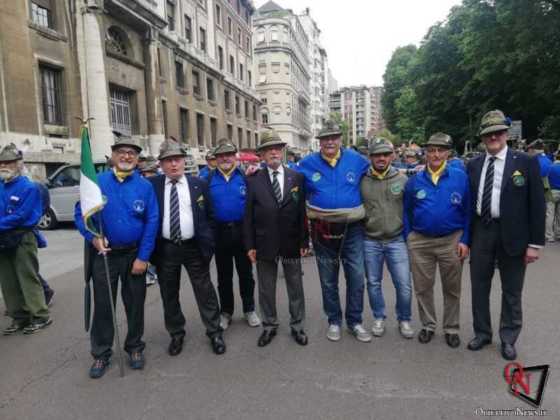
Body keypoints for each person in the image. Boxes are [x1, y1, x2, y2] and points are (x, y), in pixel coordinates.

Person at [74, 134, 159, 378]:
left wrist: (144, 257)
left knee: (135, 305)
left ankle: (134, 346)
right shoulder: (96, 182)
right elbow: (81, 215)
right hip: (105, 256)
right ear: (112, 156)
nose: (126, 156)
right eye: (121, 151)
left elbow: (152, 221)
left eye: (132, 153)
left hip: (134, 254)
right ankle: (101, 353)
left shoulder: (144, 186)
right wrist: (93, 237)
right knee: (103, 306)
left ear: (137, 158)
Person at [466, 110, 545, 361]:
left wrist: (535, 244)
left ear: (506, 134)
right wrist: (466, 239)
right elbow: (469, 205)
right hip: (482, 230)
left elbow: (537, 205)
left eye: (498, 132)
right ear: (482, 137)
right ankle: (482, 333)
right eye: (488, 133)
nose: (494, 137)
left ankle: (508, 338)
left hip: (514, 234)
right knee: (479, 287)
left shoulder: (525, 161)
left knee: (512, 290)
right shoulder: (474, 164)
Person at [149, 139, 226, 357]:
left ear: (184, 161)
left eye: (177, 159)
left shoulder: (198, 184)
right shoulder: (152, 185)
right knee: (169, 293)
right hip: (166, 249)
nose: (174, 164)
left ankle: (214, 332)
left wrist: (208, 245)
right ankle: (176, 334)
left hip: (194, 247)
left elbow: (210, 217)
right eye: (168, 161)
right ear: (161, 165)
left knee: (205, 291)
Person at [297, 120, 371, 343]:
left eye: (334, 137)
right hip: (322, 229)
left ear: (340, 139)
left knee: (356, 277)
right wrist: (254, 170)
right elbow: (285, 177)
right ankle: (334, 321)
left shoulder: (357, 160)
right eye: (325, 138)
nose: (330, 142)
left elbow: (379, 171)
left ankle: (355, 321)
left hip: (353, 229)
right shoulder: (306, 164)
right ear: (319, 142)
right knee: (328, 279)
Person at [403, 132, 470, 348]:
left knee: (452, 288)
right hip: (420, 241)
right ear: (426, 153)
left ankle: (451, 328)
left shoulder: (460, 177)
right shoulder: (414, 181)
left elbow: (469, 211)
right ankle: (428, 325)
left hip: (452, 240)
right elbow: (406, 211)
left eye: (441, 150)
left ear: (448, 153)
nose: (436, 154)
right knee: (423, 288)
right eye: (432, 150)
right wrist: (409, 237)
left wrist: (465, 240)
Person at [243, 129, 309, 347]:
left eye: (276, 148)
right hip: (264, 243)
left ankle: (297, 326)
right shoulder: (252, 180)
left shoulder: (296, 177)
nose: (273, 152)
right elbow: (249, 216)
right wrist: (250, 245)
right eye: (267, 149)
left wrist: (303, 241)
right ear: (261, 154)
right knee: (266, 288)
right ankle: (269, 326)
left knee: (295, 285)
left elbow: (302, 213)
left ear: (282, 151)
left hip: (291, 242)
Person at [361, 138, 414, 339]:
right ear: (370, 157)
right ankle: (379, 317)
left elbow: (410, 209)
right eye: (377, 155)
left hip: (396, 240)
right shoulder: (362, 180)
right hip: (370, 240)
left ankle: (404, 319)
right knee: (373, 283)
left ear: (392, 156)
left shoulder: (402, 180)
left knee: (403, 283)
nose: (381, 158)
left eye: (385, 154)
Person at [207, 139, 260, 330]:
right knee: (224, 276)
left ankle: (249, 309)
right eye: (221, 156)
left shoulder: (247, 177)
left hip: (242, 232)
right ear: (216, 159)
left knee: (246, 274)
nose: (225, 159)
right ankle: (226, 312)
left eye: (229, 155)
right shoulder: (207, 179)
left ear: (235, 157)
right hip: (220, 234)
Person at [0, 143, 51, 335]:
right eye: (1, 163)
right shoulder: (1, 186)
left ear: (18, 164)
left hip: (22, 237)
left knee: (27, 277)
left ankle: (40, 315)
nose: (4, 166)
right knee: (7, 280)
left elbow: (22, 215)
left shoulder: (28, 187)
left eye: (9, 162)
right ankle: (19, 317)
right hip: (3, 238)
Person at [138, 156, 160, 285]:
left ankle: (151, 273)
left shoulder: (151, 184)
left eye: (149, 173)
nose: (147, 175)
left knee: (150, 250)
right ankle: (151, 273)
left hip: (153, 223)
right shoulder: (144, 184)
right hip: (147, 223)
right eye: (145, 173)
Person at [546, 151, 560, 242]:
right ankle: (558, 234)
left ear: (555, 158)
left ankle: (549, 236)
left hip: (552, 192)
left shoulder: (550, 167)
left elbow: (546, 180)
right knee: (559, 215)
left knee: (550, 214)